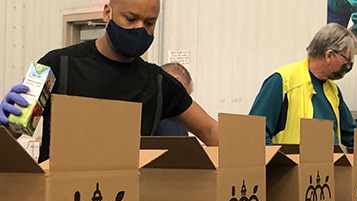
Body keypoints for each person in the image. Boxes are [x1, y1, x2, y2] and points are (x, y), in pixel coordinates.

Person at [0, 0, 218, 163]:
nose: (139, 29)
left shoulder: (160, 85)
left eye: (149, 22)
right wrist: (6, 123)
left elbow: (210, 130)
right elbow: (12, 133)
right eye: (131, 19)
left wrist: (247, 154)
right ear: (107, 13)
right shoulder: (58, 65)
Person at [249, 23, 357, 148]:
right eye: (347, 61)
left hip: (324, 177)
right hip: (289, 177)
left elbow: (351, 135)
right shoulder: (282, 81)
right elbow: (256, 133)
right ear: (329, 55)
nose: (348, 66)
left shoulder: (333, 91)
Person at [153, 62, 193, 136]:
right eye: (185, 99)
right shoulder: (172, 116)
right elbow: (177, 146)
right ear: (176, 81)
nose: (185, 109)